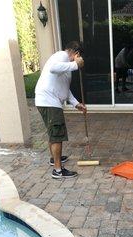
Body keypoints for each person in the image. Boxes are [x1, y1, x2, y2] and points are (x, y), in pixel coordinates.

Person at [35, 41, 86, 179]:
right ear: (77, 54)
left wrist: (76, 104)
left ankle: (54, 159)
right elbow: (53, 68)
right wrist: (76, 64)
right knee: (57, 135)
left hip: (50, 102)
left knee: (54, 133)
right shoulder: (61, 56)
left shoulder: (66, 68)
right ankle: (58, 170)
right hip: (48, 101)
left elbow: (65, 89)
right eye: (78, 56)